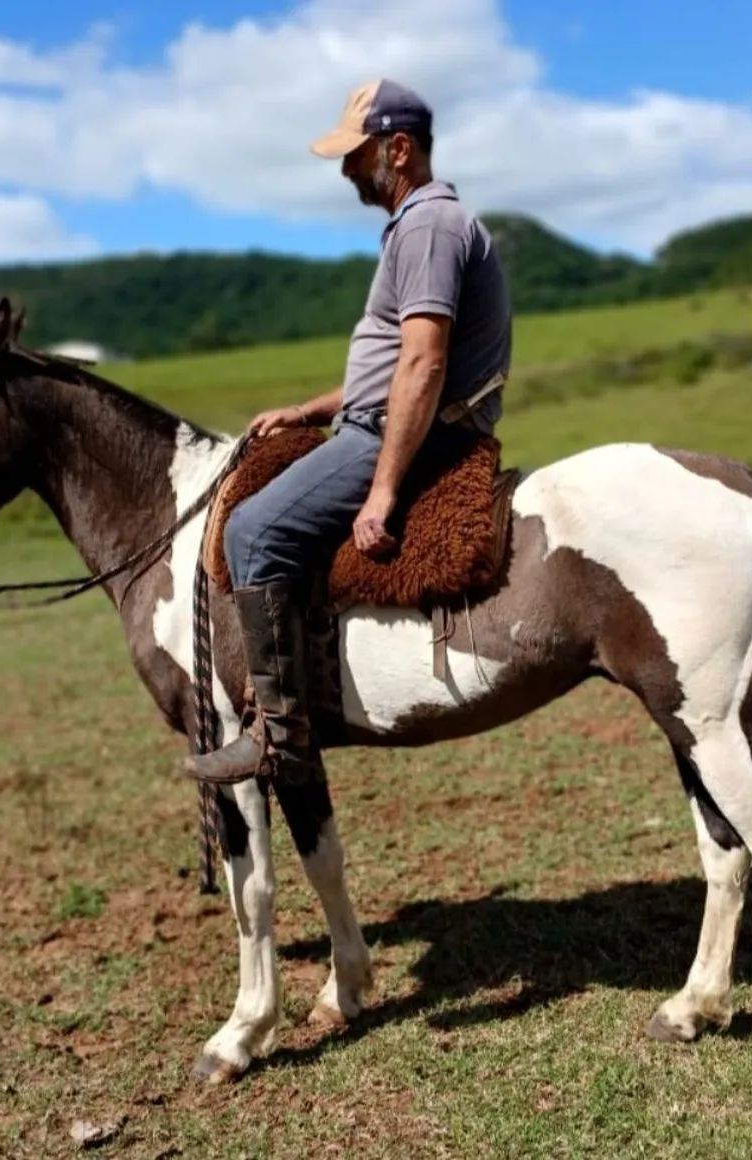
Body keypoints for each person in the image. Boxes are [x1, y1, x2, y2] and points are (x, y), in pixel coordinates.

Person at [184, 79, 512, 784]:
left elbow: (423, 366)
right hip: (378, 422)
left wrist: (383, 493)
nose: (345, 171)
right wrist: (312, 409)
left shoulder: (428, 226)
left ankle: (279, 733)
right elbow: (392, 364)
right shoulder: (421, 225)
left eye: (356, 156)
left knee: (251, 531)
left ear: (398, 149)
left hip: (409, 436)